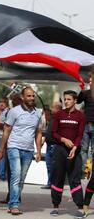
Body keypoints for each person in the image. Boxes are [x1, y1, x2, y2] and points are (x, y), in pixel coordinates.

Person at [0, 87, 42, 215]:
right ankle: (15, 204)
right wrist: (1, 150)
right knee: (16, 175)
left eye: (33, 96)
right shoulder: (14, 112)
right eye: (29, 96)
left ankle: (12, 202)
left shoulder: (38, 113)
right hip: (14, 147)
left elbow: (38, 133)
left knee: (21, 178)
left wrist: (38, 151)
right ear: (22, 97)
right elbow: (6, 131)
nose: (32, 98)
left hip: (28, 150)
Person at [49, 90, 86, 218]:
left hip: (74, 150)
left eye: (69, 99)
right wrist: (63, 139)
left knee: (74, 178)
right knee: (57, 177)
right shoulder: (59, 114)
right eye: (65, 99)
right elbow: (54, 133)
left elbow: (80, 134)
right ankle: (55, 206)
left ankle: (80, 207)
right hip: (60, 150)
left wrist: (74, 147)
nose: (66, 101)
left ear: (75, 101)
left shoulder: (80, 116)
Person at [40, 102, 62, 189]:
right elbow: (49, 131)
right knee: (49, 165)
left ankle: (54, 184)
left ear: (58, 109)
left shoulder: (59, 118)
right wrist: (44, 140)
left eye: (53, 108)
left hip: (55, 145)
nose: (51, 110)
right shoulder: (53, 118)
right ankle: (50, 183)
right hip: (49, 145)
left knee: (54, 166)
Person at [77, 73, 94, 177]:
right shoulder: (86, 93)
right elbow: (78, 101)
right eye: (90, 81)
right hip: (86, 126)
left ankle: (92, 173)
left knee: (93, 151)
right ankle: (84, 170)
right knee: (83, 149)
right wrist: (82, 90)